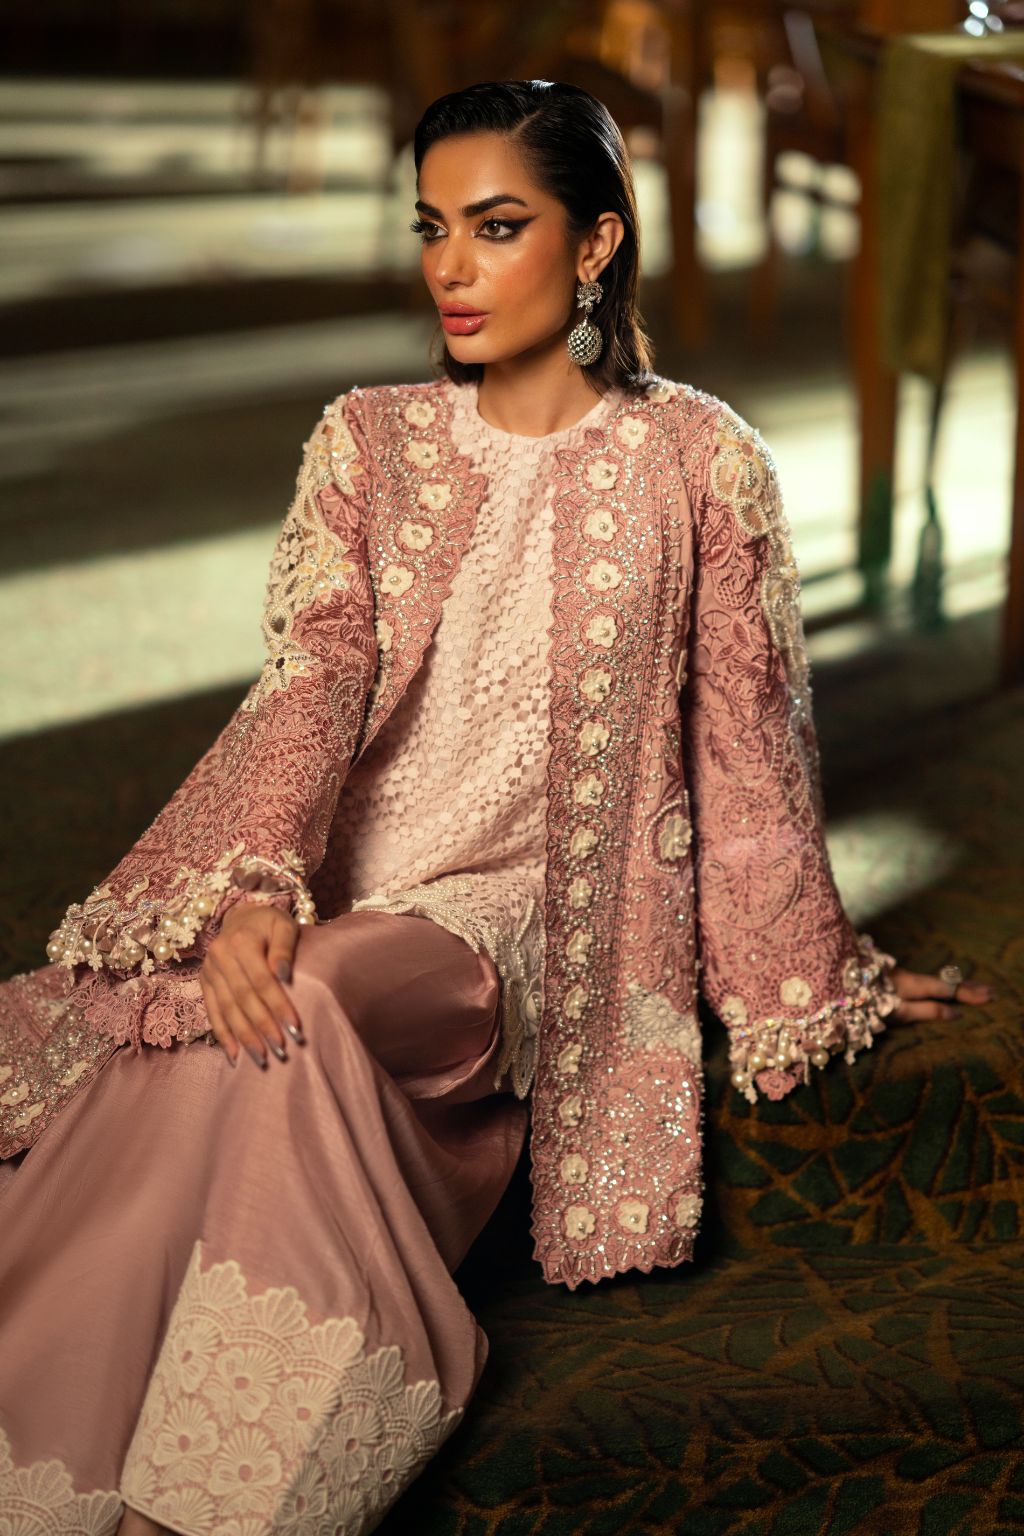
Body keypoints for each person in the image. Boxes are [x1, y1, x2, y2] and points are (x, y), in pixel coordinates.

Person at [0, 78, 994, 1536]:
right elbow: (311, 679)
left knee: (297, 1000)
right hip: (346, 879)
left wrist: (810, 970)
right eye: (432, 228)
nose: (452, 268)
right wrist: (258, 881)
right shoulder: (368, 442)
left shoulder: (701, 461)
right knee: (210, 1033)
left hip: (521, 930)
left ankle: (227, 1482)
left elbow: (749, 749)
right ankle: (63, 1478)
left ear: (596, 243)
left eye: (498, 226)